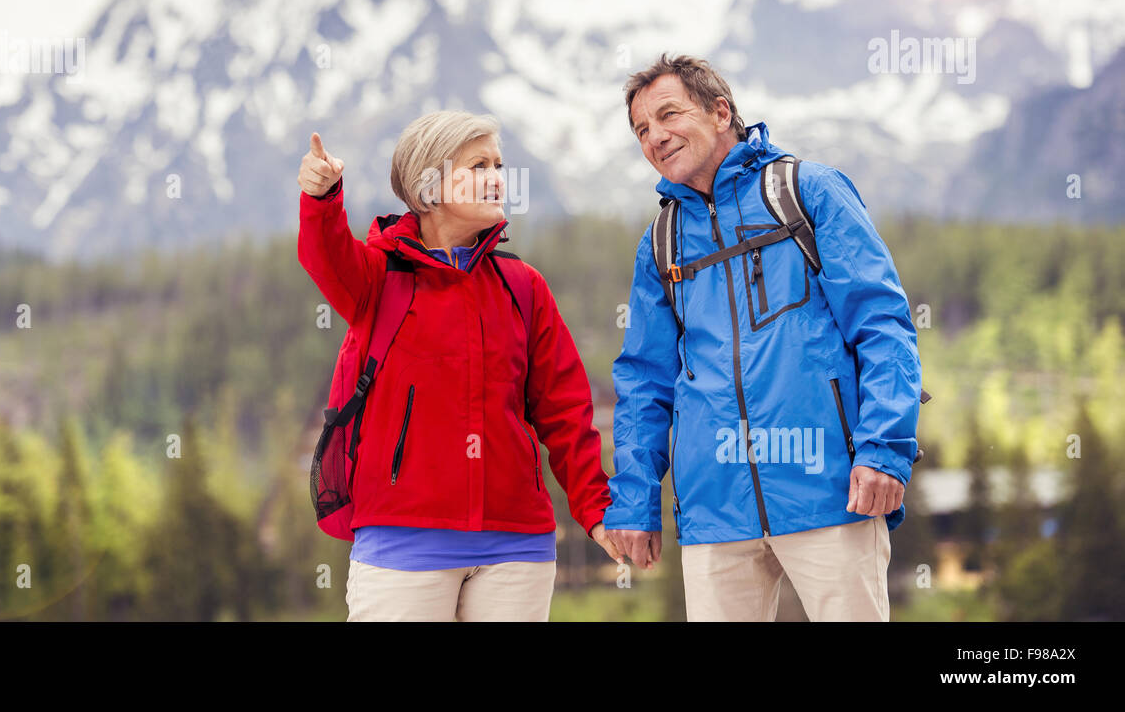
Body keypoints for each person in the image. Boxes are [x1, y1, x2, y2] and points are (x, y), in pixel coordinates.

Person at [604, 54, 922, 621]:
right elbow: (644, 382)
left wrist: (884, 451)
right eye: (641, 130)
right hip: (714, 511)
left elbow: (882, 326)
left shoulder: (810, 192)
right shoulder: (661, 243)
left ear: (720, 111)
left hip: (831, 492)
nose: (654, 136)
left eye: (668, 115)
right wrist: (635, 497)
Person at [297, 110, 619, 621]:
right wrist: (321, 200)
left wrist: (597, 511)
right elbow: (326, 257)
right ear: (429, 184)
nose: (498, 178)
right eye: (479, 165)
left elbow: (564, 411)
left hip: (517, 545)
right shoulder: (378, 276)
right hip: (402, 542)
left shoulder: (523, 286)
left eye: (499, 164)